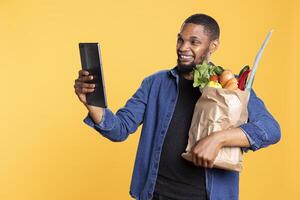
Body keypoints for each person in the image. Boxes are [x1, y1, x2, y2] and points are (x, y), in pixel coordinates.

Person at [74, 14, 281, 200]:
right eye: (180, 39)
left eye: (194, 42)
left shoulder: (233, 88)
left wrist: (218, 139)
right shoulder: (155, 83)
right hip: (156, 194)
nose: (183, 47)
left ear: (213, 46)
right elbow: (120, 129)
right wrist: (92, 103)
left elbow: (271, 129)